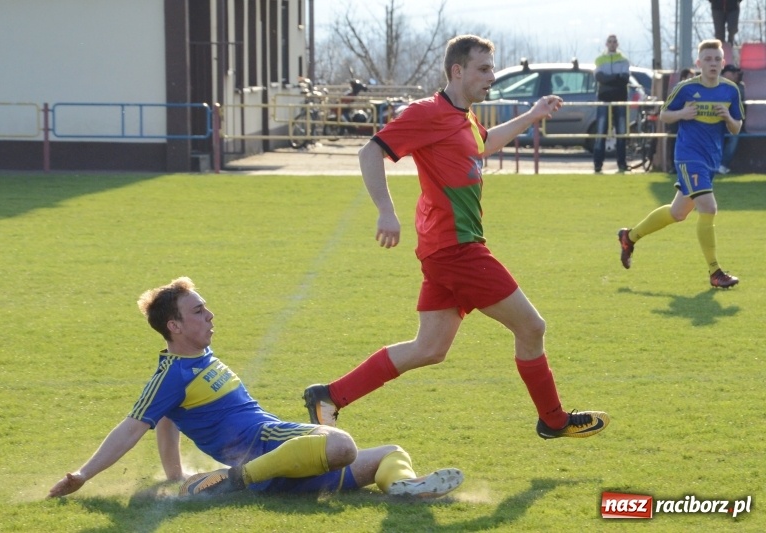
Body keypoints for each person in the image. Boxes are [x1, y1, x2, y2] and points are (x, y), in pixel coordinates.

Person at [303, 35, 609, 441]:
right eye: (484, 69)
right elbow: (370, 152)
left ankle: (329, 396)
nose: (492, 78)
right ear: (457, 71)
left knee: (429, 348)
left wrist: (533, 114)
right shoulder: (427, 112)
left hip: (443, 249)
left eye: (492, 69)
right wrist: (386, 211)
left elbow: (486, 143)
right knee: (532, 327)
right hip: (457, 249)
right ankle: (553, 421)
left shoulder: (463, 117)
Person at [48, 277, 464, 499]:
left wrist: (173, 477)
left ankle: (405, 489)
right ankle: (237, 479)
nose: (210, 315)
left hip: (284, 466)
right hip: (264, 445)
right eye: (198, 311)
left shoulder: (197, 361)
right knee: (343, 446)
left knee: (390, 454)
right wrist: (84, 474)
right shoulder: (172, 374)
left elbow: (167, 419)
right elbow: (132, 426)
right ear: (174, 326)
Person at [617, 39, 744, 289]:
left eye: (717, 59)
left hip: (710, 159)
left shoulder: (731, 90)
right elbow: (663, 114)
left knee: (678, 213)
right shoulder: (685, 89)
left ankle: (629, 237)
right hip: (688, 156)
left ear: (723, 62)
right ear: (698, 63)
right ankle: (715, 272)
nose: (713, 63)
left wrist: (728, 116)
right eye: (707, 59)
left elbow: (737, 127)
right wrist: (682, 114)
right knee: (708, 207)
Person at [593, 34, 631, 173]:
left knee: (621, 132)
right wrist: (616, 77)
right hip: (604, 98)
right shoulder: (599, 59)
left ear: (618, 44)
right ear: (606, 44)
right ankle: (598, 164)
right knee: (601, 132)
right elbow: (599, 77)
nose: (612, 44)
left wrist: (608, 79)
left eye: (615, 41)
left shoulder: (623, 60)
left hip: (620, 99)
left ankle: (621, 164)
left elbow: (625, 79)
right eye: (610, 41)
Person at [667, 68, 697, 173]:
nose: (693, 80)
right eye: (690, 78)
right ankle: (673, 167)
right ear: (683, 78)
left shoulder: (696, 91)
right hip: (677, 122)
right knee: (674, 143)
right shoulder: (677, 90)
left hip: (689, 123)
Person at [718, 64, 745, 174]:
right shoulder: (716, 84)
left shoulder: (740, 86)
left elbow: (737, 97)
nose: (735, 75)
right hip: (716, 120)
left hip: (733, 121)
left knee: (734, 136)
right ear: (724, 73)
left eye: (736, 73)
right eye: (732, 73)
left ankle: (723, 166)